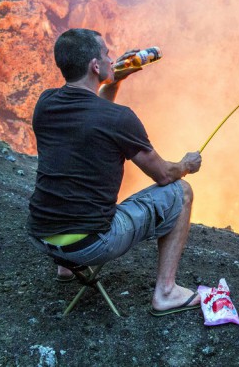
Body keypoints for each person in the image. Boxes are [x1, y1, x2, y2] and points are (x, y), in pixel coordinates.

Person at [27, 28, 202, 316]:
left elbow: (92, 118)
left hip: (42, 236)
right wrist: (186, 165)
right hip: (90, 245)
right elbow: (164, 175)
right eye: (106, 53)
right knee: (180, 192)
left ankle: (65, 269)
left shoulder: (45, 103)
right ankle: (167, 292)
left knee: (69, 175)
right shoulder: (120, 119)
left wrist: (115, 80)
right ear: (95, 66)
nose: (112, 57)